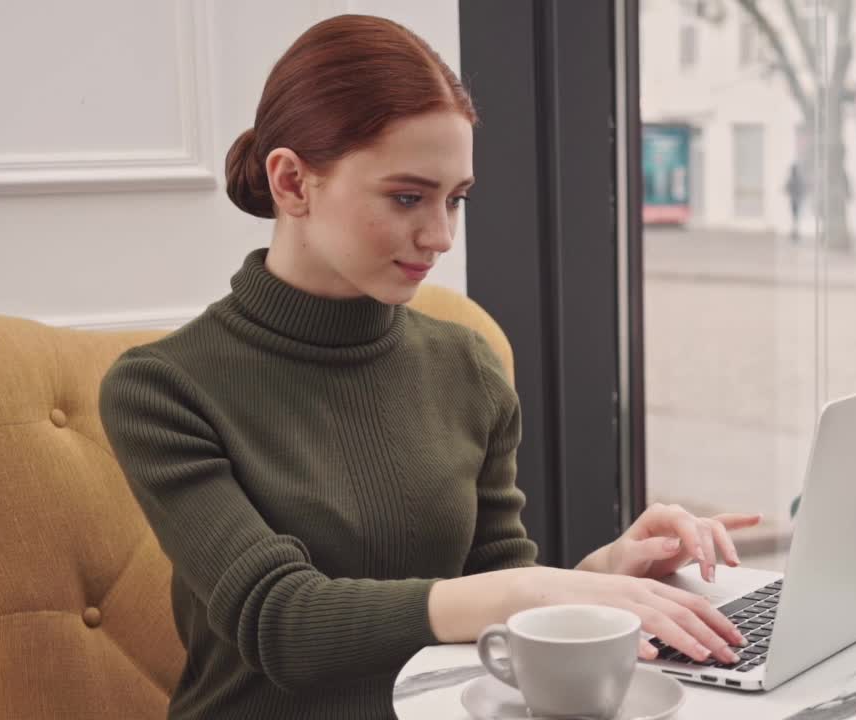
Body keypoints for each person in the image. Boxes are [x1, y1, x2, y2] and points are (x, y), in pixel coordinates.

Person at [97, 15, 758, 720]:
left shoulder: (464, 365)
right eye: (408, 197)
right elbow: (280, 620)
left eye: (456, 199)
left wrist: (600, 579)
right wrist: (536, 591)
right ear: (292, 182)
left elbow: (494, 585)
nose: (440, 236)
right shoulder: (161, 389)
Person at [784, 162, 805, 241]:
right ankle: (795, 233)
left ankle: (795, 233)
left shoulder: (795, 179)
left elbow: (787, 188)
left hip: (796, 201)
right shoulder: (796, 179)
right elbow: (787, 188)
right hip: (796, 201)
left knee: (795, 218)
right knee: (795, 218)